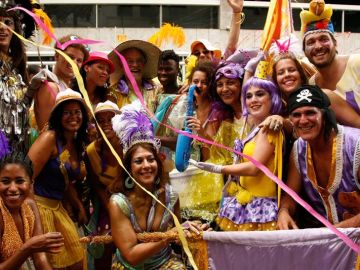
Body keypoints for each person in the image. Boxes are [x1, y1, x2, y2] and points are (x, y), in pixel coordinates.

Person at [109, 102, 206, 269]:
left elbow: (179, 234)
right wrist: (169, 236)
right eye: (138, 161)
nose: (146, 165)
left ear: (158, 163)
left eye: (151, 159)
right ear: (129, 168)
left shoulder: (171, 195)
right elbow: (131, 255)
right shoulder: (118, 203)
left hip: (165, 263)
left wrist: (196, 232)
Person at [191, 74, 284, 231]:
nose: (253, 99)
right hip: (246, 203)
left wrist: (219, 169)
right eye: (249, 96)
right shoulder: (255, 129)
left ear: (272, 98)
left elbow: (253, 168)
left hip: (261, 208)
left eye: (260, 94)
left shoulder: (268, 128)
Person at [277, 85, 360, 230]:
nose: (303, 120)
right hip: (328, 244)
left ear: (325, 115)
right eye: (296, 115)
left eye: (310, 113)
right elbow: (291, 197)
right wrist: (284, 212)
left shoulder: (356, 145)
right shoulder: (298, 149)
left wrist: (335, 232)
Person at [28, 89, 89, 269]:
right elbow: (25, 178)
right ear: (58, 116)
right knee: (51, 263)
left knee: (77, 257)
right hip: (39, 208)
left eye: (77, 112)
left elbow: (65, 180)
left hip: (57, 208)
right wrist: (34, 220)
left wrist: (78, 205)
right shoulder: (49, 138)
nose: (73, 117)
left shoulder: (76, 143)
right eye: (67, 112)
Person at [0, 152, 64, 269]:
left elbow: (40, 258)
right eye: (5, 181)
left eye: (20, 181)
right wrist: (27, 249)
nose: (13, 188)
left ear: (31, 184)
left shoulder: (30, 206)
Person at [300, 0, 360, 115]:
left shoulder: (357, 64)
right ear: (304, 51)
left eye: (323, 39)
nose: (318, 46)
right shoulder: (312, 85)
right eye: (311, 42)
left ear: (335, 43)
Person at [272, 52, 360, 128]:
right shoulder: (278, 108)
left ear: (301, 76)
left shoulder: (324, 96)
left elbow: (357, 124)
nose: (287, 75)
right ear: (276, 81)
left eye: (292, 70)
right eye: (281, 73)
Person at [85, 101, 122, 269]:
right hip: (107, 205)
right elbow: (96, 186)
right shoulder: (91, 151)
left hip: (133, 204)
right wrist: (112, 210)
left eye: (111, 119)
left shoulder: (128, 145)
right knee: (103, 241)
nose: (107, 124)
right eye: (101, 121)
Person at [0, 3, 37, 152]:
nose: (2, 27)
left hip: (16, 148)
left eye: (7, 22)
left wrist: (33, 87)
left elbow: (19, 106)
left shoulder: (15, 68)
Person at [34, 35, 89, 131]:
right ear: (57, 56)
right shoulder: (49, 87)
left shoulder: (67, 87)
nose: (74, 63)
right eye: (70, 57)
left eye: (79, 60)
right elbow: (47, 133)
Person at [108, 40, 162, 112]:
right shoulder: (113, 93)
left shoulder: (156, 90)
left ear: (144, 63)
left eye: (139, 60)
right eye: (130, 61)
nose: (135, 65)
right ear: (121, 64)